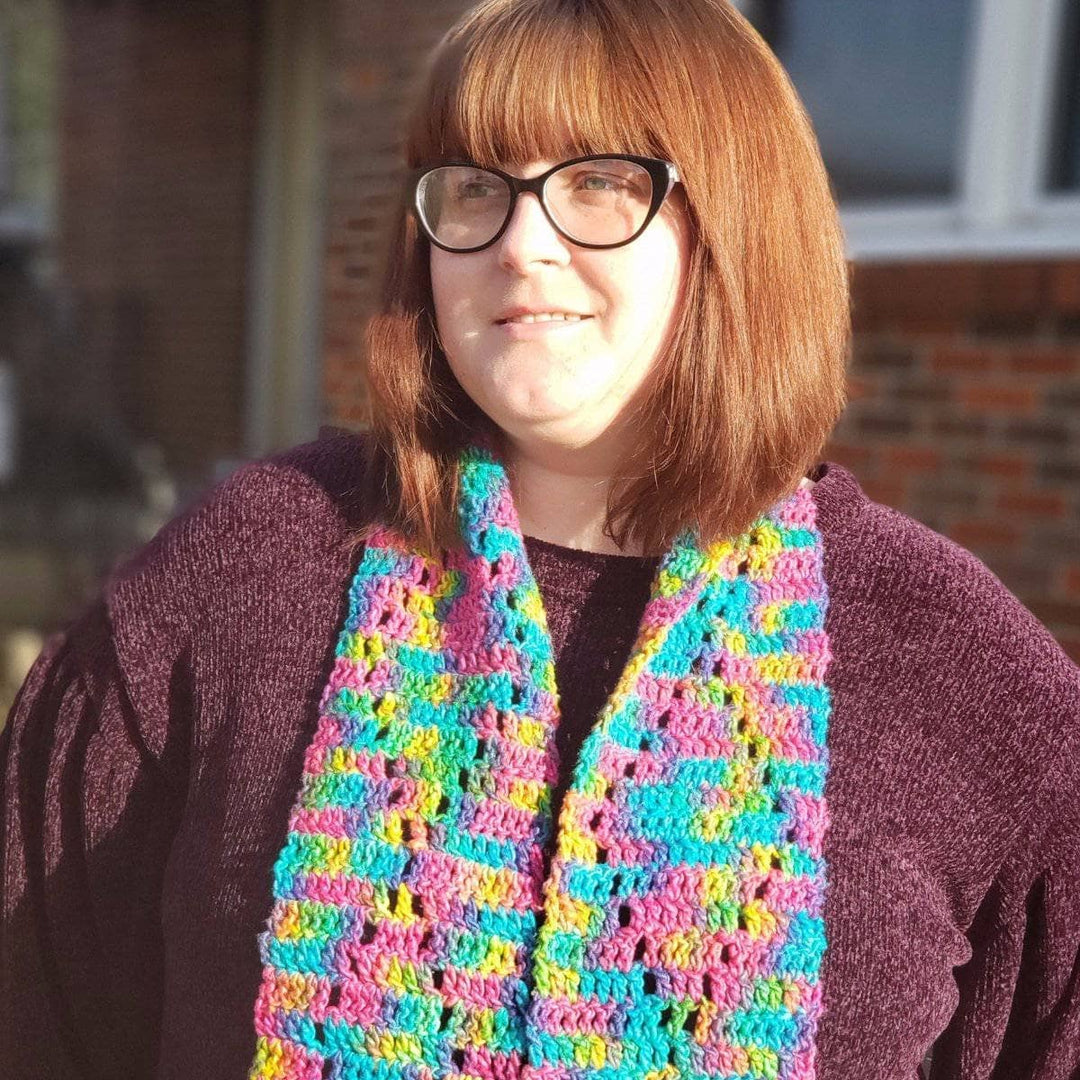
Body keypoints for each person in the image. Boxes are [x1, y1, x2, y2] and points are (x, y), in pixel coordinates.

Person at [2, 0, 1078, 1077]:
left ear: (740, 223)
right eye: (476, 189)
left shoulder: (947, 661)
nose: (521, 246)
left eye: (601, 183)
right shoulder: (248, 571)